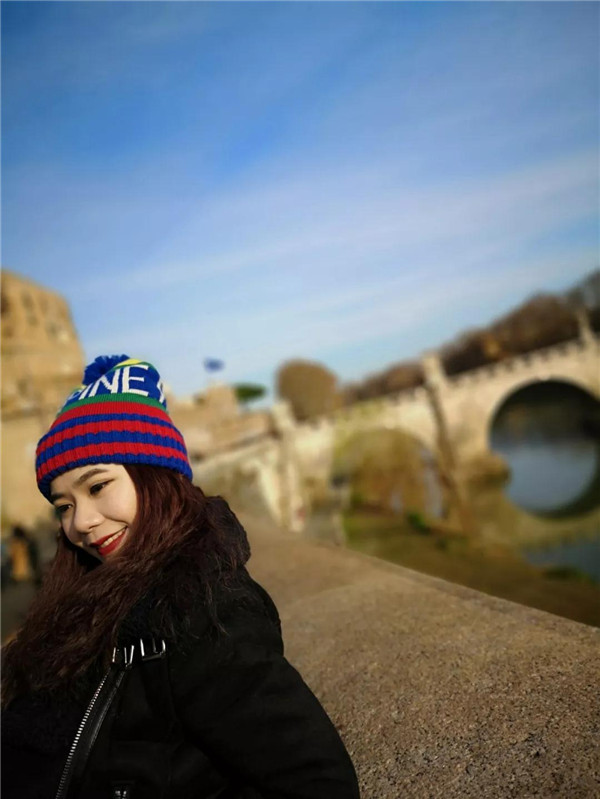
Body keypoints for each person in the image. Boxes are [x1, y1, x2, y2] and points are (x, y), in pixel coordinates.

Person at [1, 355, 360, 799]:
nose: (81, 522)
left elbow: (319, 781)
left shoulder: (203, 613)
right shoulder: (91, 592)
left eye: (97, 487)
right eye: (64, 506)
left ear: (155, 477)